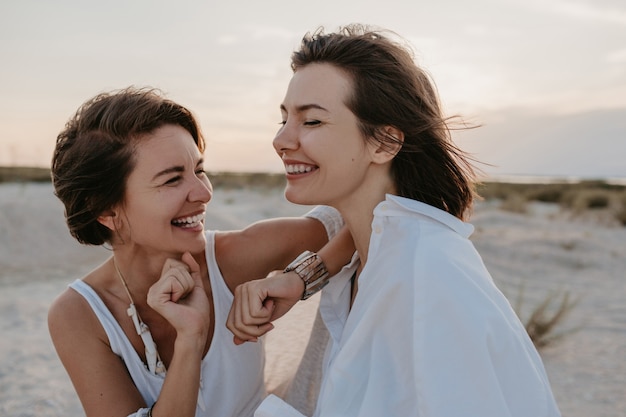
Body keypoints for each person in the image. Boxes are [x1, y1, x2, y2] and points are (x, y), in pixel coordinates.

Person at [226, 24, 562, 417]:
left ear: (384, 143)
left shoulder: (433, 277)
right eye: (284, 119)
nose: (282, 139)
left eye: (312, 121)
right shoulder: (365, 260)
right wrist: (304, 276)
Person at [47, 87, 354, 417]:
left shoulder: (237, 257)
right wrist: (190, 339)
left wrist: (300, 279)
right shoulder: (80, 315)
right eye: (172, 179)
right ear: (106, 210)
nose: (204, 192)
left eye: (199, 170)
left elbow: (358, 219)